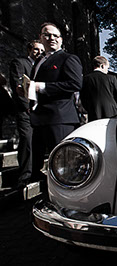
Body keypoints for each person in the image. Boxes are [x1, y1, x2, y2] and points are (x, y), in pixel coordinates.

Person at [29, 22, 82, 183]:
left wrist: (41, 87)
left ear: (60, 39)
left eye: (55, 35)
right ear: (40, 37)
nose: (51, 38)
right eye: (47, 34)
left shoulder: (68, 59)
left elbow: (74, 84)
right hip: (39, 119)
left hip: (59, 119)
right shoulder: (39, 61)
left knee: (64, 165)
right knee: (42, 166)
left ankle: (68, 200)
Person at [9, 40, 44, 187]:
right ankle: (24, 176)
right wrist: (27, 107)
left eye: (42, 51)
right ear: (30, 49)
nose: (39, 53)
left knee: (39, 142)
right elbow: (17, 86)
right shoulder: (20, 63)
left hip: (40, 112)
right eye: (36, 50)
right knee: (27, 141)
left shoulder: (42, 67)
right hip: (25, 111)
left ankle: (36, 170)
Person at [80, 56, 117, 122]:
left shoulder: (86, 79)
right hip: (112, 113)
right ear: (102, 66)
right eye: (107, 68)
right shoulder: (111, 78)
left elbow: (83, 98)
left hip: (94, 113)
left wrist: (90, 108)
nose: (107, 71)